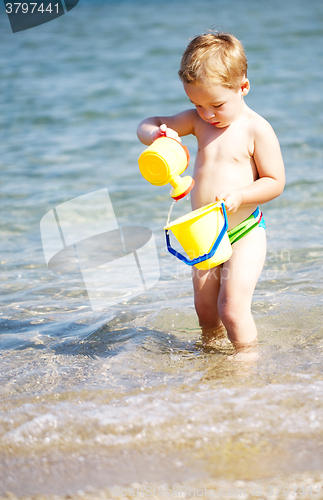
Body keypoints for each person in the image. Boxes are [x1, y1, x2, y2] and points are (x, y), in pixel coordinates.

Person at [137, 32, 285, 349]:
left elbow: (275, 182)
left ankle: (246, 367)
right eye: (197, 104)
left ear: (243, 87)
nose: (207, 114)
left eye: (216, 104)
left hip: (243, 231)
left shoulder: (256, 128)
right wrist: (158, 134)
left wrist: (241, 196)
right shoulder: (198, 121)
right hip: (203, 235)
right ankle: (213, 372)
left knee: (231, 310)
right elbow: (147, 123)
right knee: (205, 312)